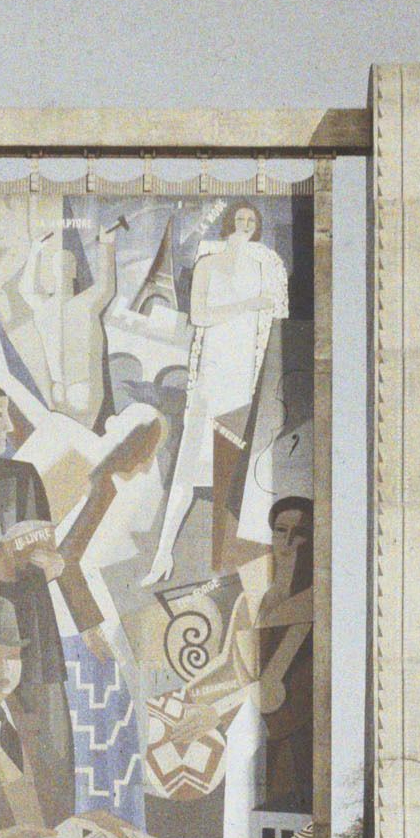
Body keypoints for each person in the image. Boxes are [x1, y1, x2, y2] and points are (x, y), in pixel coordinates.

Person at [143, 200, 288, 584]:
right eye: (238, 219)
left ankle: (226, 570)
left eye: (250, 221)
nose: (243, 225)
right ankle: (162, 556)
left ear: (256, 228)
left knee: (234, 476)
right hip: (210, 377)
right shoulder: (208, 264)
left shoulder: (263, 268)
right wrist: (246, 305)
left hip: (243, 380)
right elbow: (200, 316)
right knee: (186, 472)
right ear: (228, 224)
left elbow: (274, 321)